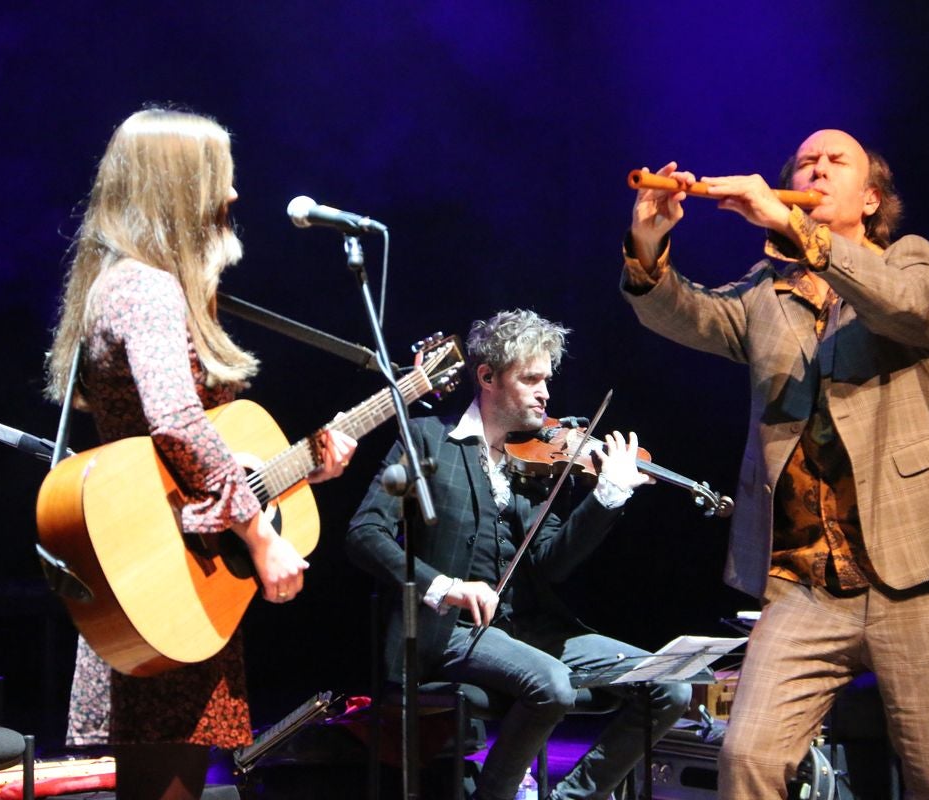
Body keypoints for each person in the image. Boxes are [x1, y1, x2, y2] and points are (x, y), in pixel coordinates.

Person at [620, 129, 929, 799]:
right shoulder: (770, 290)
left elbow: (915, 313)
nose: (815, 169)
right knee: (747, 758)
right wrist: (650, 244)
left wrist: (794, 227)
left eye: (834, 162)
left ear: (871, 196)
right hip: (805, 580)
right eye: (804, 163)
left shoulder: (910, 260)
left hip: (920, 571)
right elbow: (686, 314)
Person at [45, 108, 356, 800]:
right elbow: (180, 424)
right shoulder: (148, 290)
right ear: (176, 188)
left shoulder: (126, 285)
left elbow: (194, 440)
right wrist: (258, 533)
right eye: (220, 179)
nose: (235, 196)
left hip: (163, 568)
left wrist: (305, 467)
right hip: (167, 572)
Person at [345, 309, 692, 800]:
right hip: (449, 632)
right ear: (486, 377)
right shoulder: (427, 439)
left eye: (547, 379)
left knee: (669, 686)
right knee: (551, 684)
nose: (545, 393)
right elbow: (365, 532)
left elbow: (551, 563)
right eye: (531, 379)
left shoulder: (535, 463)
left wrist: (606, 497)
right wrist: (446, 588)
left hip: (531, 628)